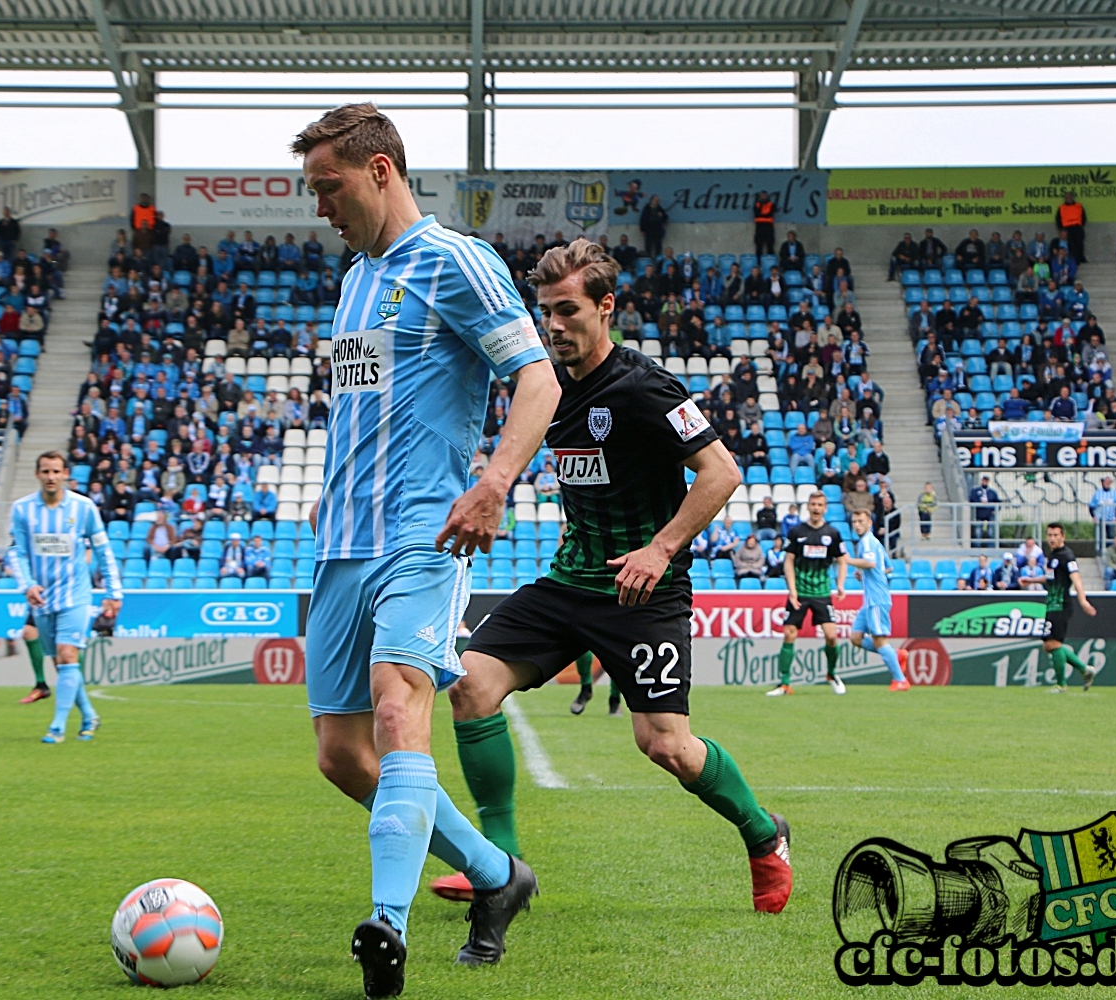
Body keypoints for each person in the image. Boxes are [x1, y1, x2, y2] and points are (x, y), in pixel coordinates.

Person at [433, 237, 792, 924]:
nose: (554, 325)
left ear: (606, 307)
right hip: (570, 583)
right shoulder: (543, 386)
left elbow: (721, 473)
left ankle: (761, 833)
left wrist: (660, 548)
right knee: (472, 686)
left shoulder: (643, 386)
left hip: (641, 593)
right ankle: (500, 869)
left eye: (568, 311)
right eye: (545, 312)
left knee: (666, 747)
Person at [290, 103, 559, 995]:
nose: (320, 206)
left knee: (400, 708)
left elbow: (537, 376)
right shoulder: (355, 280)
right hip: (340, 542)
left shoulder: (456, 260)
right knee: (341, 755)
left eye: (328, 187)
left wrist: (494, 481)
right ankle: (496, 875)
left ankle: (387, 925)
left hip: (423, 530)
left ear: (380, 170)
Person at [7, 451, 123, 744]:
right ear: (37, 474)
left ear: (66, 475)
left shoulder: (83, 507)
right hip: (42, 598)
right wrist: (27, 585)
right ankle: (89, 715)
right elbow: (16, 552)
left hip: (75, 594)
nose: (51, 477)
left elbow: (102, 550)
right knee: (61, 662)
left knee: (69, 654)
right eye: (45, 471)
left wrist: (114, 592)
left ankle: (57, 727)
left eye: (56, 472)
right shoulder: (22, 510)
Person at [768, 490, 847, 696]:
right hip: (800, 591)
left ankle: (831, 673)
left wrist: (840, 584)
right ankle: (785, 683)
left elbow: (842, 559)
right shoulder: (796, 532)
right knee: (789, 633)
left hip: (822, 591)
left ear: (825, 508)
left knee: (831, 636)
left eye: (820, 505)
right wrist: (792, 591)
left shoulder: (833, 533)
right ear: (808, 506)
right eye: (813, 504)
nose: (816, 508)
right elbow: (789, 561)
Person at [845, 509, 910, 690]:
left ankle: (900, 680)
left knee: (879, 639)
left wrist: (847, 560)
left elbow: (871, 563)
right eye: (855, 522)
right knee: (856, 637)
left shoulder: (867, 542)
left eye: (860, 521)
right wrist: (865, 575)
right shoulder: (874, 542)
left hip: (876, 598)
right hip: (870, 601)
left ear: (869, 523)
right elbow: (887, 568)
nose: (857, 525)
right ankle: (896, 655)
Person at [1041, 523, 1098, 692]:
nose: (1052, 538)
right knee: (1049, 645)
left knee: (1053, 643)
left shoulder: (1067, 556)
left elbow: (1076, 579)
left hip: (1061, 604)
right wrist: (1031, 581)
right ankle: (1084, 669)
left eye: (1055, 535)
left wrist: (1083, 600)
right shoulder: (1053, 556)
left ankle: (1061, 685)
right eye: (1049, 535)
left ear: (1062, 537)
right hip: (1052, 604)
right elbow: (1051, 578)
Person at [17, 611, 51, 704]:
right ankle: (41, 685)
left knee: (64, 645)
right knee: (29, 631)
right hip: (43, 600)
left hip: (66, 601)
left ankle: (74, 688)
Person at [1088, 475, 1116, 550]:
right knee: (1100, 536)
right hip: (1100, 518)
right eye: (1106, 482)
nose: (1107, 483)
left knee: (1111, 535)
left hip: (1110, 519)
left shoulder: (1115, 493)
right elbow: (1091, 506)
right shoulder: (1097, 493)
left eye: (1109, 482)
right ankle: (1100, 552)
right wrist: (1093, 516)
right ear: (1102, 483)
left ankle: (1110, 551)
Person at [968, 474, 999, 547]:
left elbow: (997, 502)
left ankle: (991, 547)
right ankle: (977, 547)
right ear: (981, 480)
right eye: (984, 480)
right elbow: (971, 499)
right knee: (978, 531)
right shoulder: (975, 490)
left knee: (991, 532)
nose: (985, 482)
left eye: (986, 480)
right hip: (980, 513)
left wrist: (995, 510)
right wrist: (979, 502)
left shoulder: (992, 492)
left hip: (990, 513)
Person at [1057, 190, 1087, 264]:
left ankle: (1080, 258)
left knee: (1079, 244)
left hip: (1077, 228)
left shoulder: (1079, 206)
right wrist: (1062, 229)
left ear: (1073, 197)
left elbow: (1084, 217)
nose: (1068, 198)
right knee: (1070, 245)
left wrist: (1080, 226)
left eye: (1070, 196)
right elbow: (1058, 219)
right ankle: (1072, 259)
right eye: (1067, 197)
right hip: (1067, 228)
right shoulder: (1061, 207)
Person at [639, 194, 668, 259]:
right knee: (648, 247)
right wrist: (642, 229)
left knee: (658, 247)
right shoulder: (646, 208)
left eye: (657, 200)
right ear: (651, 200)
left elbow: (666, 218)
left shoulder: (659, 208)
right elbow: (642, 219)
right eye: (655, 200)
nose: (656, 202)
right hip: (648, 230)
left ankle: (657, 260)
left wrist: (662, 216)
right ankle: (648, 260)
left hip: (657, 231)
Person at [752, 190, 775, 260]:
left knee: (770, 245)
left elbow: (770, 213)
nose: (763, 197)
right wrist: (764, 214)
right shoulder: (756, 204)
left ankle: (771, 261)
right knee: (759, 246)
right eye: (762, 195)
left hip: (769, 227)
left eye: (765, 195)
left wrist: (761, 214)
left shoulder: (771, 204)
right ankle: (758, 263)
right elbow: (757, 213)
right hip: (759, 227)